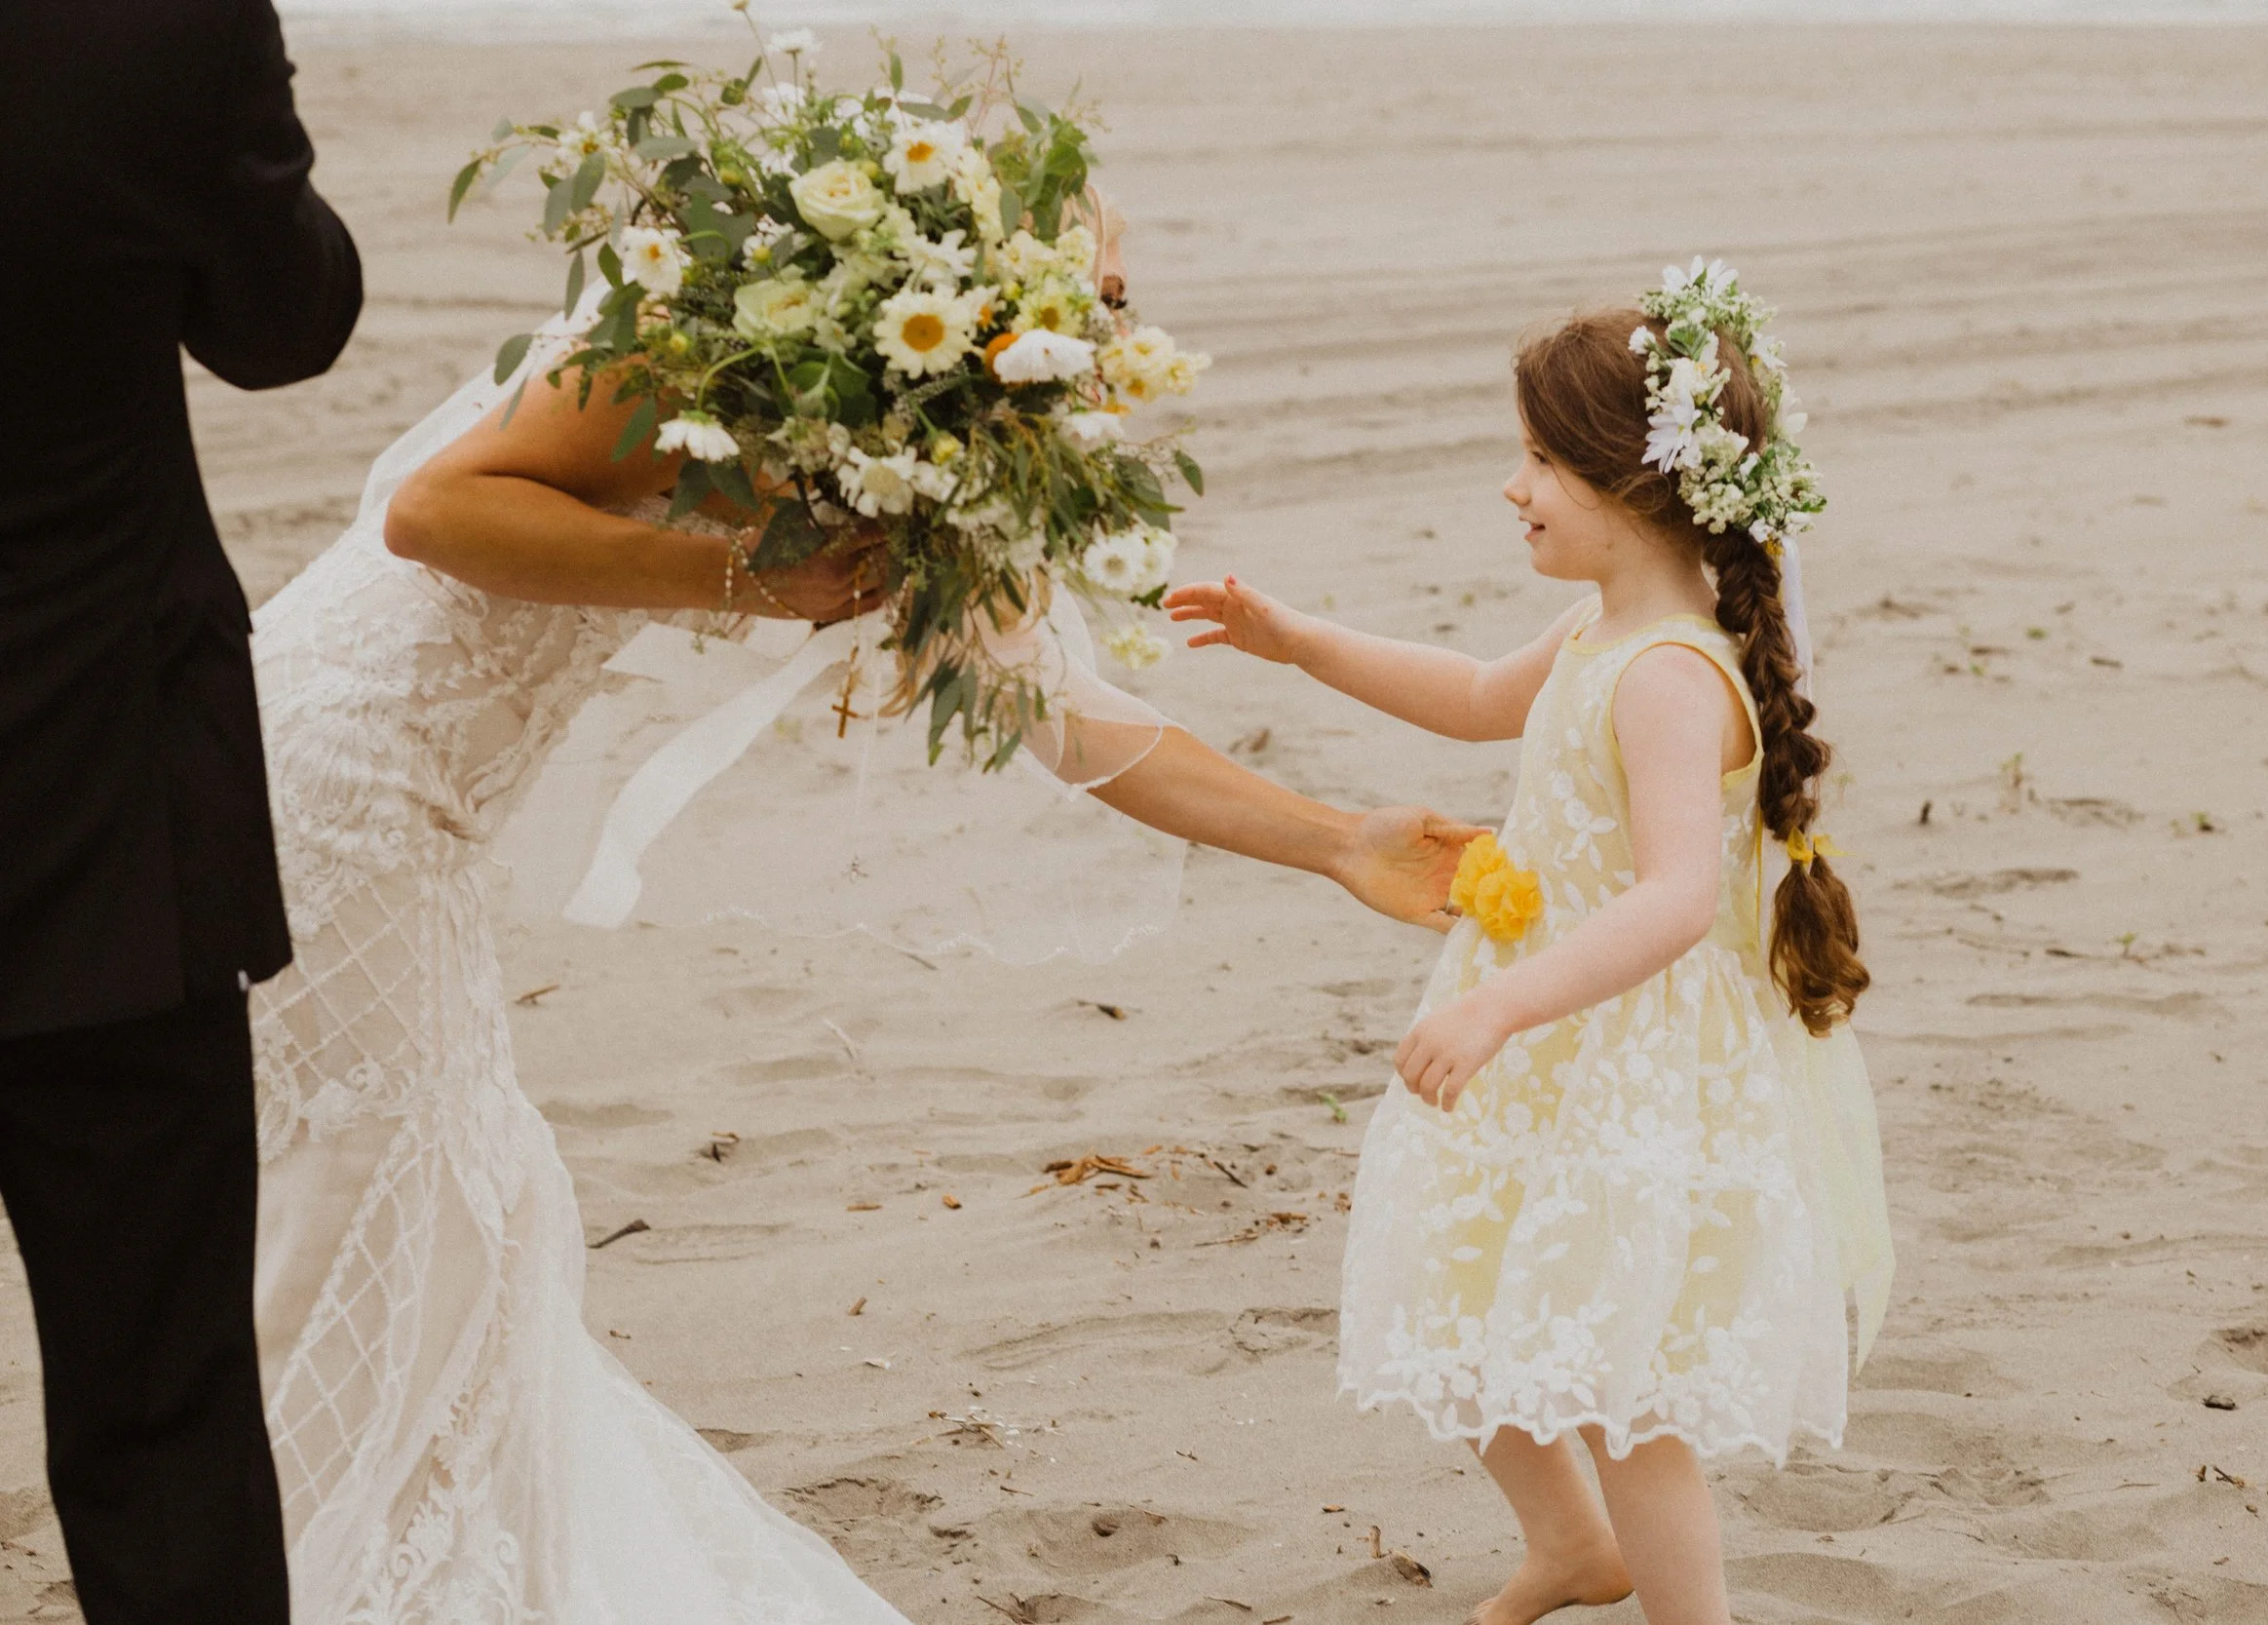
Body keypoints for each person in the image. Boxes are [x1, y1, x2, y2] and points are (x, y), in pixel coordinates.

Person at [243, 211, 1480, 1617]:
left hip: (424, 814)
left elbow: (1068, 718)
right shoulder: (701, 336)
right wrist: (748, 579)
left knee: (472, 1211)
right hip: (332, 775)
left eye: (1120, 290)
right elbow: (434, 511)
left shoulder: (920, 458)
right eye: (1087, 277)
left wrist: (1338, 842)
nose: (1111, 320)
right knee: (400, 1204)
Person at [1165, 283, 1895, 1625]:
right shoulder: (1594, 631)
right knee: (1458, 1286)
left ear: (1641, 480)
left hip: (1619, 1052)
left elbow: (1677, 895)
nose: (1515, 487)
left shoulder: (1672, 674)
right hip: (1545, 1038)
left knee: (1627, 1390)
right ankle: (1570, 1548)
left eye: (1545, 462)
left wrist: (1502, 1003)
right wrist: (1296, 641)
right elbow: (1476, 698)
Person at [0, 1, 362, 1619]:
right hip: (100, 798)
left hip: (111, 791)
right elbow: (284, 324)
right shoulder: (154, 16)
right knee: (162, 1408)